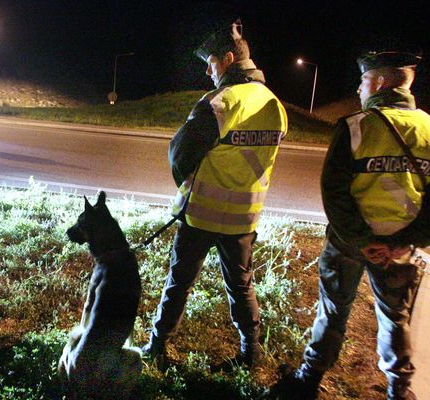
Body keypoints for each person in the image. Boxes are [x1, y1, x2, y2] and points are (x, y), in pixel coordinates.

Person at [269, 49, 430, 400]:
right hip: (399, 248)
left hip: (348, 245)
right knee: (395, 318)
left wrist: (360, 239)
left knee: (333, 310)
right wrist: (407, 241)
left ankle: (309, 380)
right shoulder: (429, 130)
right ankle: (399, 391)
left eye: (363, 81)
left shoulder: (356, 127)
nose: (360, 89)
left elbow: (335, 193)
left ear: (381, 81)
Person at [141, 19, 288, 369]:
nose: (208, 71)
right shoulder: (274, 105)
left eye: (209, 62)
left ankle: (157, 347)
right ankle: (251, 353)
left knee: (179, 283)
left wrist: (190, 184)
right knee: (241, 285)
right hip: (243, 220)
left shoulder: (220, 102)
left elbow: (179, 154)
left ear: (226, 58)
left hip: (202, 215)